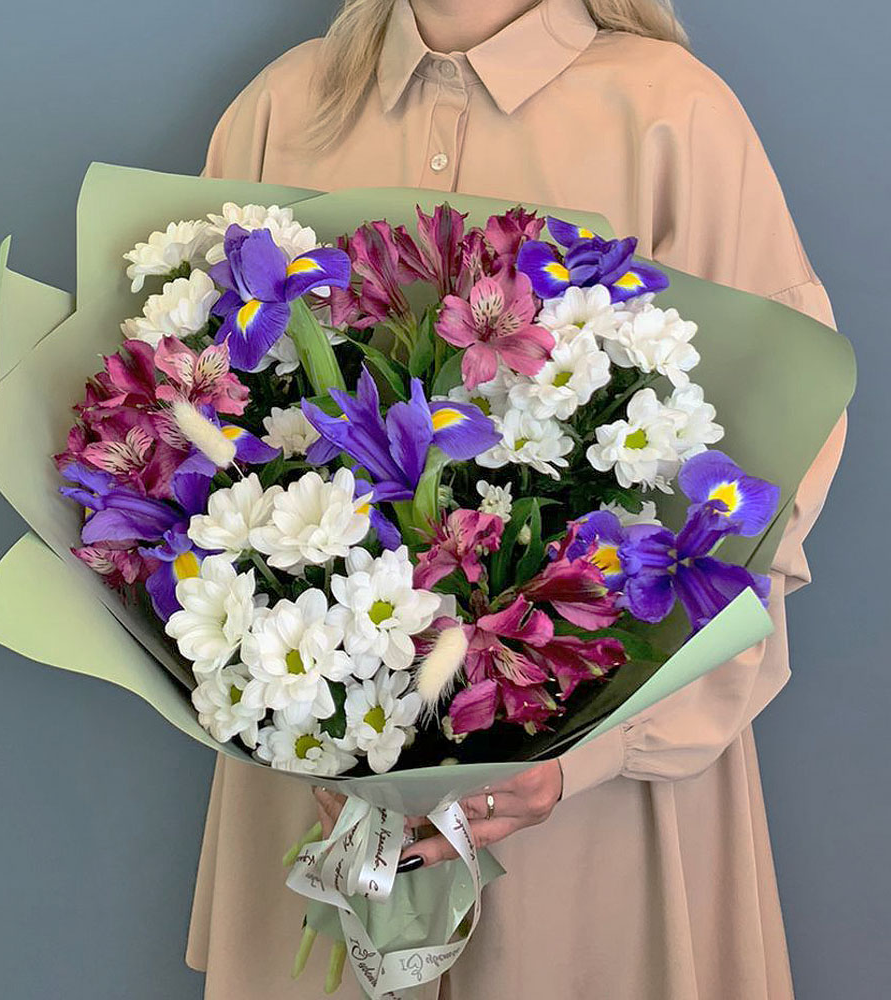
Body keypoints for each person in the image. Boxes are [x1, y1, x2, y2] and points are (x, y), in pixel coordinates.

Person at [188, 2, 849, 997]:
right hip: (319, 775)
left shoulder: (672, 118)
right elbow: (191, 424)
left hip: (592, 803)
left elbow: (770, 484)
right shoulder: (281, 112)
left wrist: (591, 754)